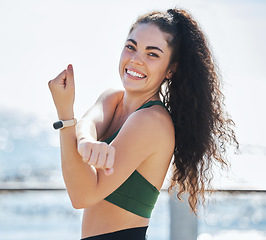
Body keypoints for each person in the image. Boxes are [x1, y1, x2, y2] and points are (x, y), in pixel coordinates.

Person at [48, 8, 238, 240]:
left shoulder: (152, 121)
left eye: (152, 54)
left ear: (171, 69)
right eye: (131, 47)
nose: (136, 60)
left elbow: (83, 196)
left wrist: (65, 111)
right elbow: (86, 124)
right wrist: (86, 140)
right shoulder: (113, 98)